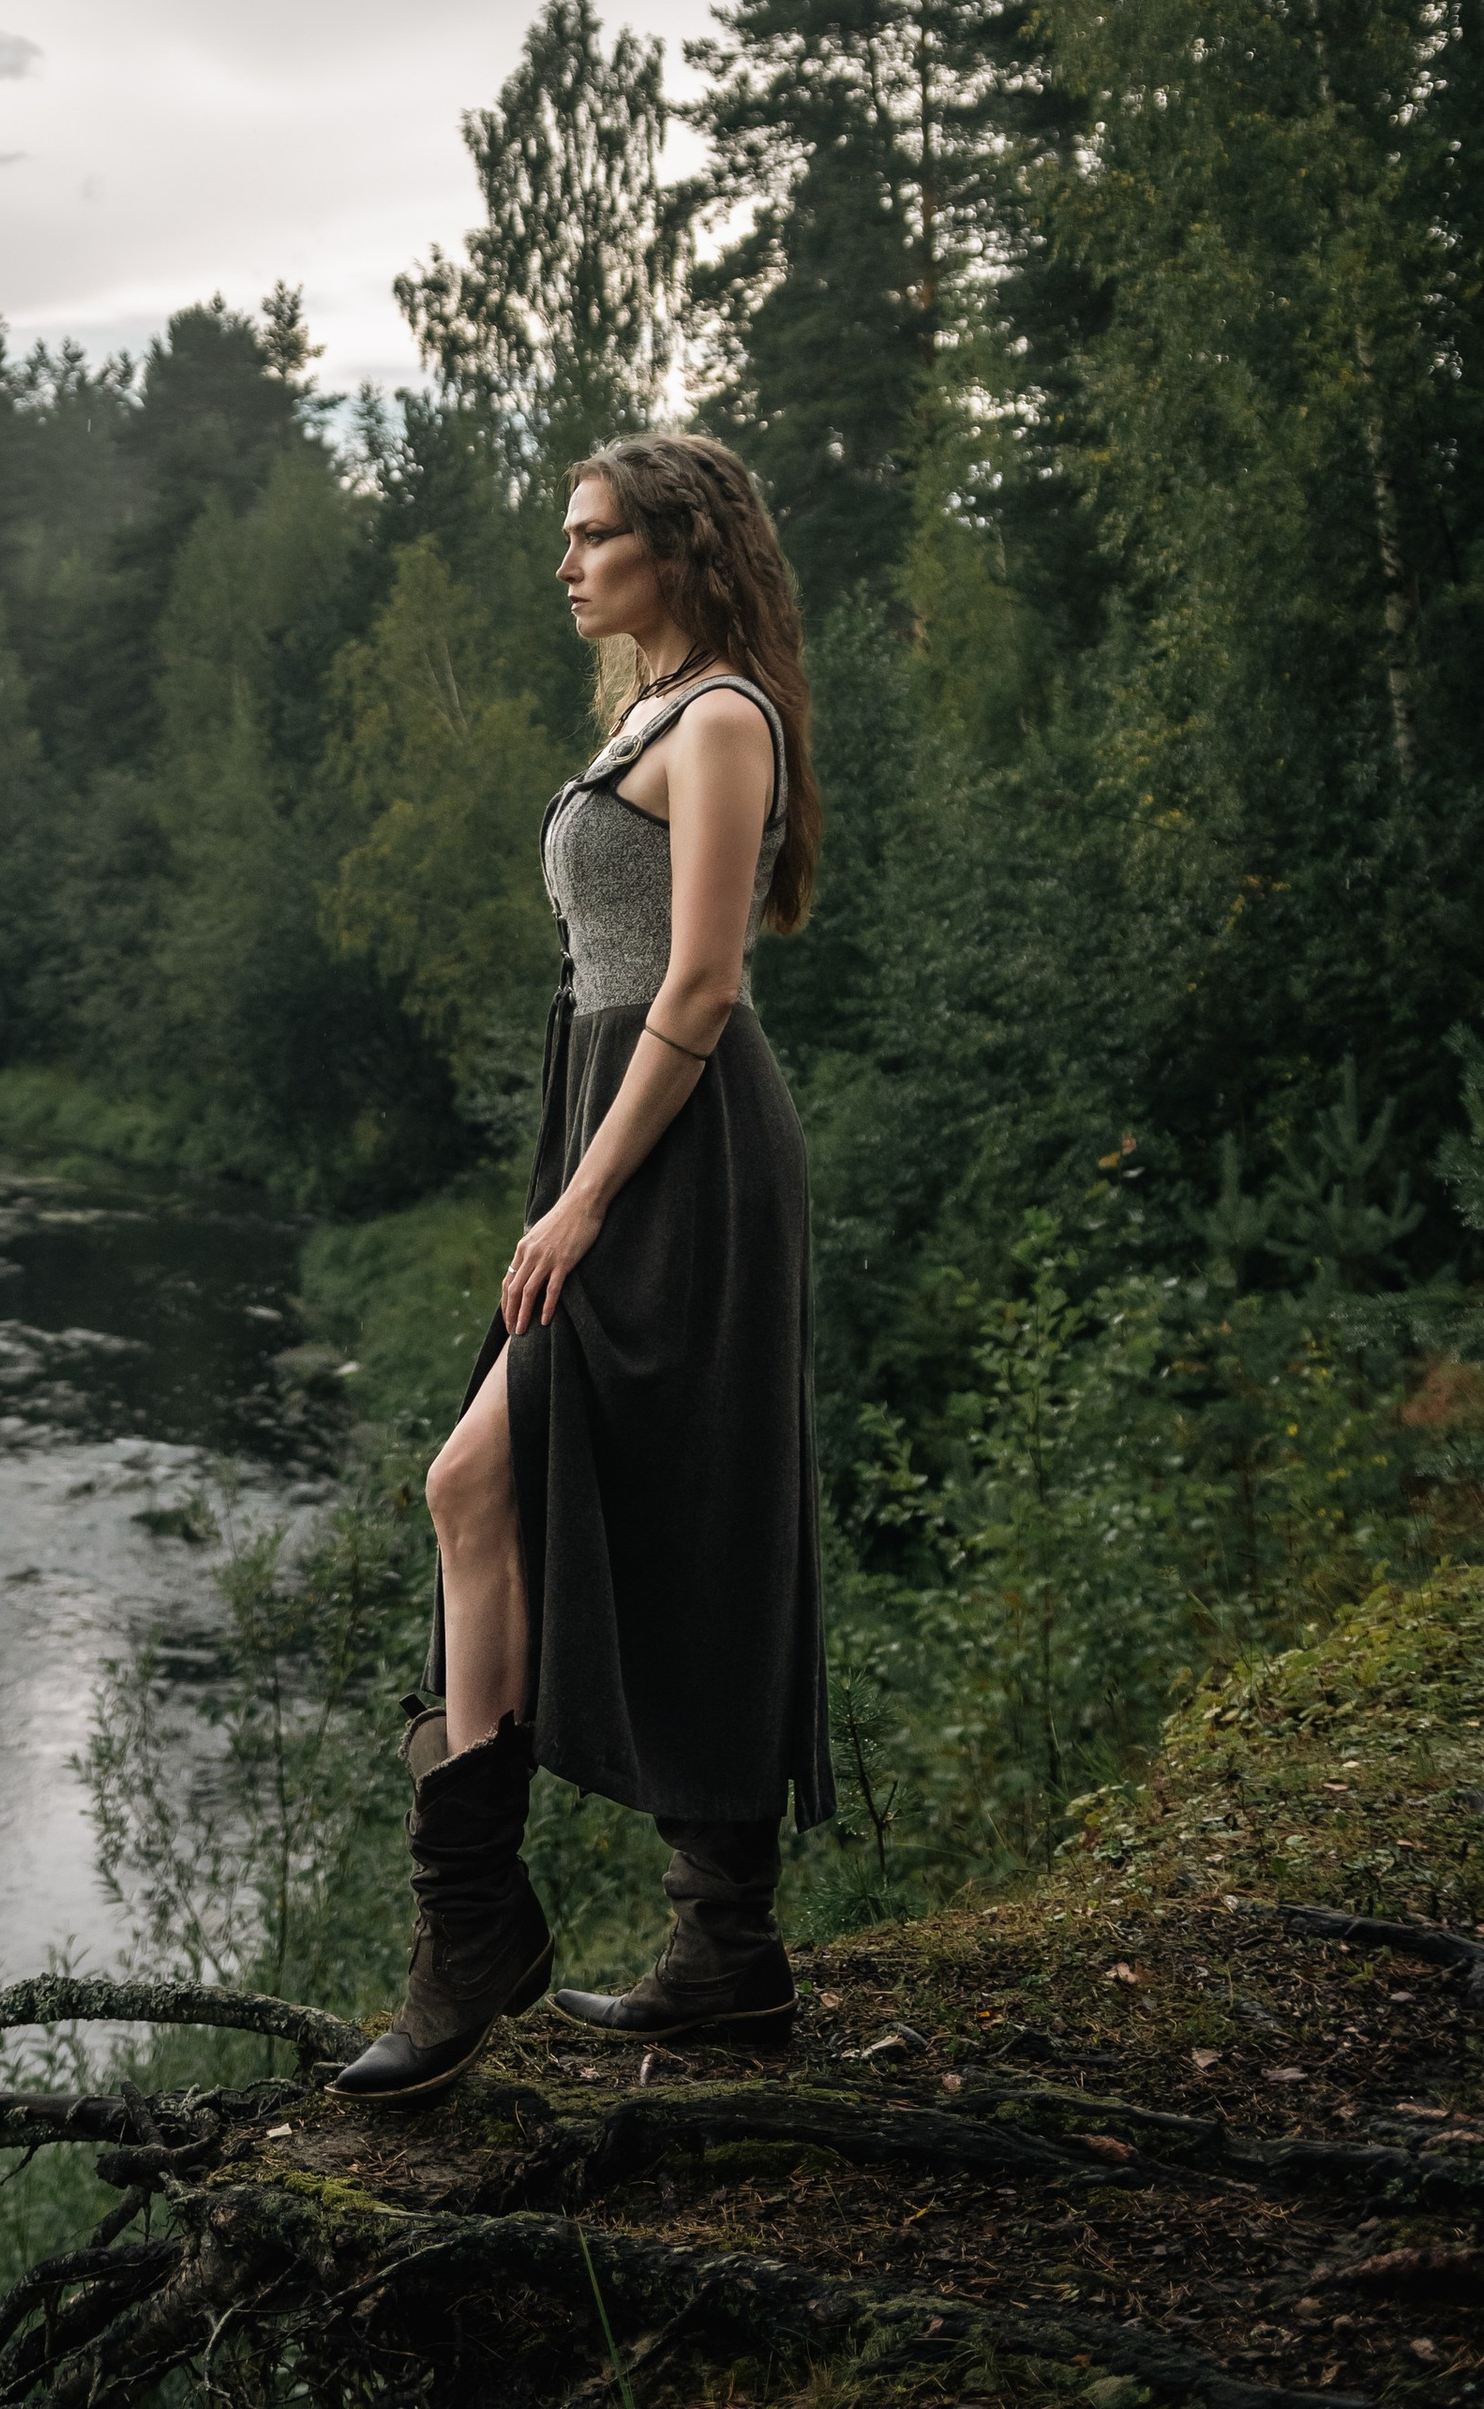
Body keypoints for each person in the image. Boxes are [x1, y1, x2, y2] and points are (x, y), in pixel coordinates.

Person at [333, 432, 834, 2104]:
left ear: (680, 546)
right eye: (567, 536)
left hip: (685, 1160)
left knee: (607, 1495)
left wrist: (585, 1201)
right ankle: (677, 1948)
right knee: (508, 1489)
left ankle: (561, 1939)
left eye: (594, 535)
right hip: (612, 1139)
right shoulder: (646, 712)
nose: (566, 562)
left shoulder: (725, 720)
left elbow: (701, 984)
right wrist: (566, 1180)